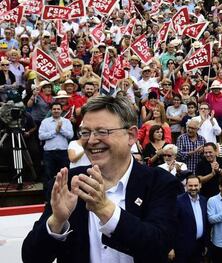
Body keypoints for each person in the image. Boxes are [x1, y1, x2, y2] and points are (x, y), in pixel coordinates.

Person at [22, 96, 181, 262]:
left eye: (102, 131)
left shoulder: (160, 182)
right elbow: (31, 257)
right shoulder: (70, 183)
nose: (91, 141)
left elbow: (159, 247)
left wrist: (105, 209)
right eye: (85, 132)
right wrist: (57, 221)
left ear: (131, 135)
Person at [170, 175, 209, 263]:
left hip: (199, 246)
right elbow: (171, 224)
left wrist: (205, 244)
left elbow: (205, 224)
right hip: (182, 248)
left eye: (195, 185)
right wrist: (170, 247)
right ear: (186, 186)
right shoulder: (178, 201)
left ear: (200, 185)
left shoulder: (204, 200)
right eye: (190, 186)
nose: (193, 188)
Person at [38, 102, 74, 187]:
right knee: (48, 176)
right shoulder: (45, 122)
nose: (56, 111)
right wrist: (55, 131)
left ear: (61, 110)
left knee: (64, 175)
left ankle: (64, 197)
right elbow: (41, 136)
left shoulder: (67, 122)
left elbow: (70, 135)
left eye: (58, 109)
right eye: (54, 109)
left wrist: (60, 129)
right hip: (49, 153)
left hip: (63, 152)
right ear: (51, 110)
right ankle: (48, 199)